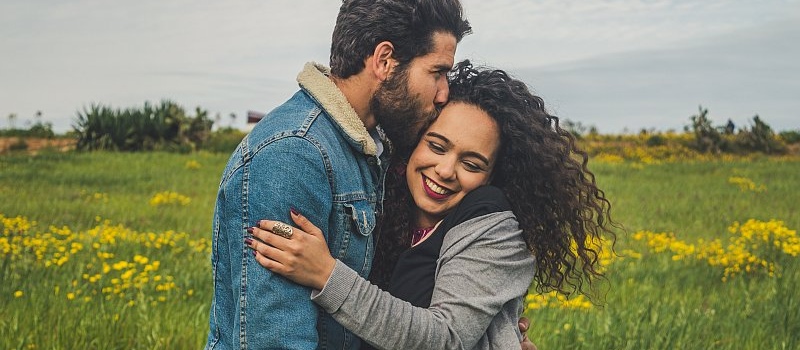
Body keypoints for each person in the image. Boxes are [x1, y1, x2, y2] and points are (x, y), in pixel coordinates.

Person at [247, 61, 615, 349]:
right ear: (412, 144)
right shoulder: (382, 205)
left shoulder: (495, 225)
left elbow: (444, 339)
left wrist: (326, 274)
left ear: (492, 176)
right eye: (437, 146)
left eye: (472, 164)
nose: (445, 170)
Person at [204, 1, 471, 349]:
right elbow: (275, 340)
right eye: (437, 72)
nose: (443, 93)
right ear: (385, 61)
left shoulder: (372, 146)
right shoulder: (294, 155)